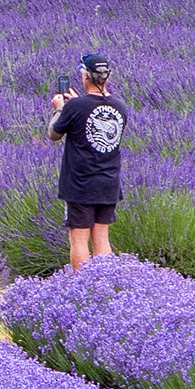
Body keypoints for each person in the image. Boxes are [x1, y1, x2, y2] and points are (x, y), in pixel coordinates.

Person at [45, 53, 128, 267]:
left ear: (86, 78)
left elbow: (54, 134)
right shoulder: (120, 106)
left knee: (79, 238)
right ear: (106, 78)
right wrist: (74, 106)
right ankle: (105, 286)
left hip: (80, 183)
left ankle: (82, 287)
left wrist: (59, 109)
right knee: (101, 238)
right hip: (109, 181)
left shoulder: (75, 107)